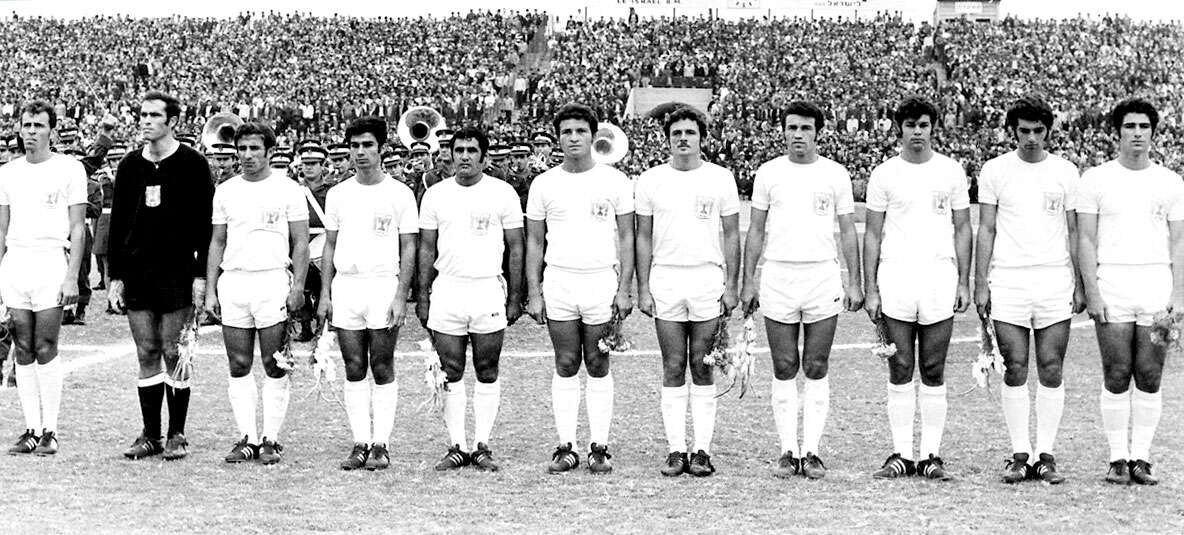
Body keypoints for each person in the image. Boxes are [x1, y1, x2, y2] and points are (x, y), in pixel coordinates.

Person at [739, 101, 863, 479]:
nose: (798, 134)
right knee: (784, 365)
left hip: (821, 276)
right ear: (783, 131)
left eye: (806, 128)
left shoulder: (835, 174)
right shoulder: (769, 173)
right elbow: (755, 230)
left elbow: (847, 230)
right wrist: (748, 280)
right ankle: (787, 451)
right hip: (779, 276)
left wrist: (854, 281)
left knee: (816, 364)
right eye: (792, 127)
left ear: (817, 133)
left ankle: (811, 451)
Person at [974, 95, 1083, 484]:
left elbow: (1074, 230)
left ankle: (1045, 455)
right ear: (1013, 132)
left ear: (1048, 131)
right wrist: (980, 283)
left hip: (1054, 280)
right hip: (1009, 280)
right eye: (1024, 131)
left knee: (1051, 367)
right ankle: (1020, 454)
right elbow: (986, 228)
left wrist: (1080, 283)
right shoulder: (995, 170)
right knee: (1015, 366)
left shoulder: (1066, 172)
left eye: (1038, 131)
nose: (1032, 138)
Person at [1076, 98, 1184, 486]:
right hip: (1113, 284)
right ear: (1117, 132)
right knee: (1117, 372)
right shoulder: (1096, 179)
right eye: (1129, 126)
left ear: (1153, 133)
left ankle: (1142, 458)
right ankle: (1117, 458)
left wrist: (1179, 296)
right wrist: (1093, 291)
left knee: (1150, 374)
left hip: (1155, 284)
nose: (1137, 133)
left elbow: (1179, 243)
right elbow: (1085, 240)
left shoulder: (1170, 182)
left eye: (1143, 126)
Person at [863, 96, 971, 481]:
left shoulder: (951, 171)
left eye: (923, 125)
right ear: (900, 129)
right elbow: (872, 233)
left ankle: (930, 455)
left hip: (939, 277)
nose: (917, 132)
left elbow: (963, 228)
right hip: (896, 277)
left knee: (933, 367)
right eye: (910, 125)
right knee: (900, 366)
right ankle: (901, 454)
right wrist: (871, 288)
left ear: (932, 128)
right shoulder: (884, 174)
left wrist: (964, 280)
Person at [525, 103, 634, 474]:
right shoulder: (544, 183)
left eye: (580, 131)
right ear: (558, 138)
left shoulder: (615, 181)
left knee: (598, 362)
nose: (573, 138)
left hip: (600, 280)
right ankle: (566, 446)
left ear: (593, 136)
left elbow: (628, 236)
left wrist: (624, 288)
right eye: (567, 132)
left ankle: (599, 446)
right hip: (560, 280)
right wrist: (534, 291)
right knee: (566, 362)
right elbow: (534, 241)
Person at [635, 106, 741, 477]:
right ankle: (676, 449)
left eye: (690, 132)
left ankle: (702, 451)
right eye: (676, 133)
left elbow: (732, 234)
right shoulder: (650, 180)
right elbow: (643, 236)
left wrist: (731, 285)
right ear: (667, 139)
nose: (683, 138)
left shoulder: (720, 178)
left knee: (702, 364)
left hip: (706, 278)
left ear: (701, 138)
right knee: (673, 364)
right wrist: (643, 287)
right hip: (666, 278)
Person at [417, 125, 524, 472]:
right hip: (448, 288)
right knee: (450, 370)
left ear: (484, 156)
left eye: (472, 150)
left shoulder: (503, 193)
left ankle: (482, 444)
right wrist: (423, 296)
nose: (464, 156)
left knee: (487, 368)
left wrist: (515, 296)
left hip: (487, 288)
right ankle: (457, 445)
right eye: (459, 150)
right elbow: (426, 248)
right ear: (450, 155)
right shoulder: (435, 195)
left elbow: (517, 247)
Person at [205, 122, 310, 465]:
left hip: (271, 281)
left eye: (254, 148)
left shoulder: (288, 189)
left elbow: (301, 242)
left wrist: (297, 286)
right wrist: (211, 290)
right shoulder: (226, 191)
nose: (247, 155)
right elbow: (217, 241)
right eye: (242, 149)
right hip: (235, 282)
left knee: (274, 363)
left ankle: (271, 438)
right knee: (238, 363)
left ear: (269, 151)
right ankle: (247, 437)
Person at [317, 117, 418, 471]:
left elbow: (409, 247)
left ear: (381, 149)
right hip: (347, 286)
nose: (360, 152)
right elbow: (329, 246)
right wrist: (326, 293)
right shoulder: (338, 194)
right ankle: (360, 441)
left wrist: (401, 296)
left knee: (382, 364)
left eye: (367, 145)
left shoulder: (400, 194)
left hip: (382, 284)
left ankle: (381, 443)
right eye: (354, 146)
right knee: (354, 365)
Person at [0, 101, 87, 456]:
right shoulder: (8, 172)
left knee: (46, 344)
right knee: (22, 345)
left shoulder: (70, 169)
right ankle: (31, 429)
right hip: (16, 263)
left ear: (52, 129)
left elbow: (78, 228)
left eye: (38, 125)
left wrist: (71, 277)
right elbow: (1, 228)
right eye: (26, 125)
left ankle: (51, 429)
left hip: (50, 261)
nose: (31, 131)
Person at [92, 144, 126, 298]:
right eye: (113, 160)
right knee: (107, 265)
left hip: (124, 221)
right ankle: (111, 300)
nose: (116, 163)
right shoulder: (103, 178)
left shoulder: (129, 174)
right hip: (106, 221)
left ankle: (124, 299)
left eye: (119, 159)